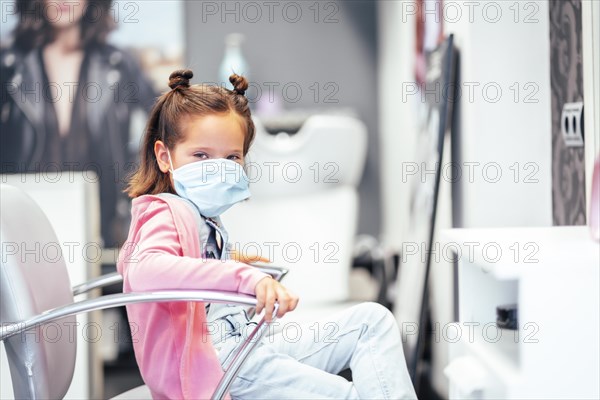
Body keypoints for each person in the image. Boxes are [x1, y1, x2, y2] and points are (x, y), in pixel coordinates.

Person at [117, 69, 417, 399]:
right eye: (201, 155)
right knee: (346, 395)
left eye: (232, 157)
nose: (220, 167)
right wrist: (241, 276)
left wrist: (228, 258)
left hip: (245, 348)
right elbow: (144, 270)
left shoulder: (200, 215)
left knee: (371, 322)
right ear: (164, 156)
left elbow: (185, 264)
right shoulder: (164, 210)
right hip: (219, 367)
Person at [0, 0, 156, 248]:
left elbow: (165, 128)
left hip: (103, 233)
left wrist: (133, 184)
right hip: (22, 231)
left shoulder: (119, 64)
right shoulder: (8, 66)